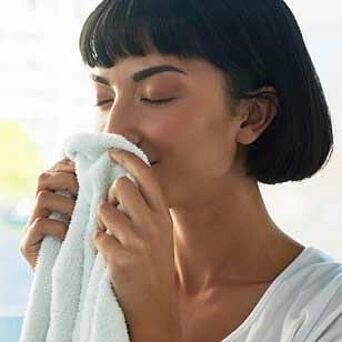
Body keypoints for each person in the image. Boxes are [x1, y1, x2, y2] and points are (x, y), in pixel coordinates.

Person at [20, 0, 342, 341]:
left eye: (156, 96)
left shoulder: (325, 312)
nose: (115, 129)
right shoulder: (99, 282)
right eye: (104, 98)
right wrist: (68, 283)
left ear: (252, 116)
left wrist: (150, 318)